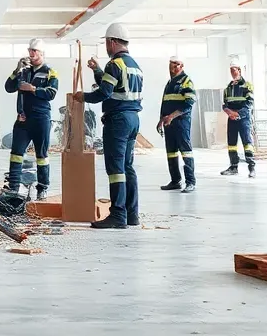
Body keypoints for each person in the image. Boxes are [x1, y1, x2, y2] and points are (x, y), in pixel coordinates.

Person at [82, 23, 143, 229]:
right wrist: (97, 70)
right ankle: (132, 214)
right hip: (133, 119)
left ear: (112, 42)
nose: (107, 47)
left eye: (107, 43)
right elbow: (115, 87)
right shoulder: (134, 65)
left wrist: (82, 97)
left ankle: (118, 215)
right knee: (127, 167)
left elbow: (104, 93)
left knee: (116, 169)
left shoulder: (115, 64)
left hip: (118, 121)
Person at [4, 39, 59, 200]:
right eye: (30, 50)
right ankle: (13, 186)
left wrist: (33, 89)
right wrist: (16, 69)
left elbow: (51, 93)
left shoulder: (50, 71)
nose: (31, 53)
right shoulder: (24, 71)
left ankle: (42, 187)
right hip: (23, 119)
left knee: (41, 155)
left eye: (34, 51)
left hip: (41, 118)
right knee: (16, 153)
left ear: (42, 53)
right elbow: (8, 87)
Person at [158, 56, 197, 193]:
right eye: (172, 64)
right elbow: (165, 102)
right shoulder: (170, 83)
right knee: (171, 153)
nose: (174, 67)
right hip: (169, 124)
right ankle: (175, 181)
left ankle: (190, 182)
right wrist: (161, 119)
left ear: (182, 66)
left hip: (181, 123)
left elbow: (189, 103)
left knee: (186, 152)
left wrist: (172, 116)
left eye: (177, 64)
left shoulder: (186, 81)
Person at [219, 60, 256, 178]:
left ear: (239, 70)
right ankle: (233, 166)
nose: (232, 72)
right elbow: (225, 104)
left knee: (247, 143)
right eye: (230, 70)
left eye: (234, 70)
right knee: (232, 144)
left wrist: (237, 113)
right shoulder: (228, 87)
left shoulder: (247, 86)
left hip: (243, 119)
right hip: (232, 119)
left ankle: (251, 167)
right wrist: (229, 112)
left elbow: (249, 103)